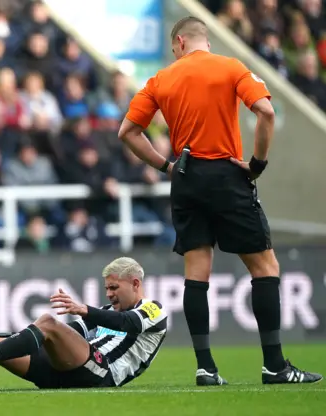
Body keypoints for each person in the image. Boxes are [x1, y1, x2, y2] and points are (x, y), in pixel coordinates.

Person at [116, 16, 322, 386]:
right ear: (203, 41)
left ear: (178, 42)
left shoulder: (161, 79)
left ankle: (205, 368)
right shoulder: (229, 67)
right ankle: (274, 366)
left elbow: (127, 132)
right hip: (226, 175)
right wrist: (257, 165)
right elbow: (266, 111)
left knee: (197, 272)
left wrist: (166, 166)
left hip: (186, 177)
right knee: (265, 266)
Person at [0, 257, 167, 389]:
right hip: (66, 370)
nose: (109, 294)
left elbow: (127, 323)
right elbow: (68, 333)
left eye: (114, 288)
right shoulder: (106, 312)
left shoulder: (154, 309)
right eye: (106, 289)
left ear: (135, 283)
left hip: (103, 373)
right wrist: (23, 338)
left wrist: (85, 310)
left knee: (49, 322)